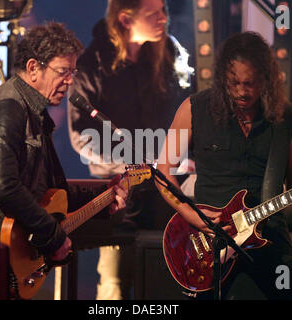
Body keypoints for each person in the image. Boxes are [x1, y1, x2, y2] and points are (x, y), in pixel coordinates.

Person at [0, 22, 128, 292]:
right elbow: (4, 187)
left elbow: (48, 193)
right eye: (63, 71)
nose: (69, 81)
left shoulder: (34, 112)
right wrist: (53, 235)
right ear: (33, 68)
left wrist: (104, 196)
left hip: (5, 248)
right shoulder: (9, 107)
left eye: (73, 71)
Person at [155, 31, 292, 300]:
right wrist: (189, 212)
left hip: (270, 240)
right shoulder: (194, 109)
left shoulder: (288, 119)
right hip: (212, 242)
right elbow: (162, 171)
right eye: (234, 82)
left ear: (266, 80)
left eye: (250, 83)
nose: (241, 91)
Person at [68, 0, 193, 299]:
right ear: (125, 19)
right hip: (117, 189)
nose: (164, 18)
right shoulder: (91, 62)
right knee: (114, 282)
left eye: (164, 9)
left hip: (164, 185)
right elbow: (82, 137)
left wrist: (182, 156)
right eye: (154, 13)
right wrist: (137, 161)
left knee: (167, 274)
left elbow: (189, 107)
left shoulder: (171, 53)